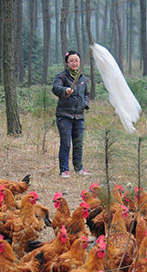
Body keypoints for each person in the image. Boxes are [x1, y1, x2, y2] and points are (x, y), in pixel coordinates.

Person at [52, 50, 91, 178]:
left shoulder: (83, 79)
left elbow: (86, 94)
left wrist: (85, 104)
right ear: (67, 63)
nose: (74, 63)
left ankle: (79, 168)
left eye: (77, 60)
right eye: (71, 61)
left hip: (79, 117)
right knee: (66, 143)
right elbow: (55, 88)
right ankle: (64, 170)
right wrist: (65, 90)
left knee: (78, 143)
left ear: (80, 62)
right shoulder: (62, 77)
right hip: (64, 116)